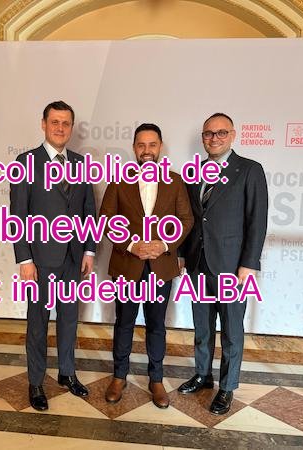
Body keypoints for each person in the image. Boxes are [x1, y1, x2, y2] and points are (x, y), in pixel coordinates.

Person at [178, 113, 268, 415]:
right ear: (203, 137)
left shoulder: (250, 170)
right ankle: (203, 374)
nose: (214, 138)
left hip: (233, 267)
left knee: (231, 329)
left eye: (221, 133)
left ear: (233, 135)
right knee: (202, 327)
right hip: (198, 263)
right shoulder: (194, 171)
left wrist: (249, 263)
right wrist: (182, 254)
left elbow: (257, 221)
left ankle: (227, 387)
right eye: (208, 133)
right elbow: (190, 219)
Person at [10, 101, 96, 411]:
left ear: (71, 128)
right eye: (55, 122)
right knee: (38, 322)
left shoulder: (81, 163)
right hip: (40, 260)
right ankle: (36, 382)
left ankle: (67, 373)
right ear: (43, 124)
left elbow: (88, 210)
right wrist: (25, 260)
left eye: (65, 123)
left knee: (69, 319)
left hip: (74, 258)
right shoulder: (25, 163)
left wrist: (89, 250)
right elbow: (17, 216)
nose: (60, 128)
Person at [99, 123, 194, 408]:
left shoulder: (175, 181)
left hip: (160, 268)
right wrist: (131, 245)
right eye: (141, 145)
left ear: (160, 147)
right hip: (127, 266)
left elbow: (186, 220)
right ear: (134, 148)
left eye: (152, 145)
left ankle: (156, 379)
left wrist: (164, 244)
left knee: (156, 325)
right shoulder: (119, 181)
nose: (147, 150)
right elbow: (105, 219)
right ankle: (119, 376)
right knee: (124, 323)